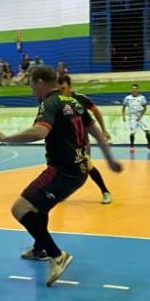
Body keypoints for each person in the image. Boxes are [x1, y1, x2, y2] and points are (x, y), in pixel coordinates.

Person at [0, 66, 121, 286]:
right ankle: (40, 249)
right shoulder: (74, 102)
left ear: (39, 82)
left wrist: (4, 137)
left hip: (62, 171)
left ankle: (56, 255)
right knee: (41, 208)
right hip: (80, 170)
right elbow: (96, 132)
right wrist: (110, 160)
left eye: (31, 86)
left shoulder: (49, 103)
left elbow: (40, 132)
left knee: (19, 209)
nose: (31, 92)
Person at [58, 74, 113, 204]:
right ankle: (61, 192)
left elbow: (95, 111)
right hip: (66, 141)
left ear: (69, 87)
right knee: (63, 166)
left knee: (87, 165)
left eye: (64, 88)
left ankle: (105, 191)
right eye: (59, 89)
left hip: (82, 140)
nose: (62, 91)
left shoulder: (80, 99)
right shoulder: (58, 101)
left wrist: (103, 130)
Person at [122, 83, 150, 152]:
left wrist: (141, 116)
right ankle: (132, 146)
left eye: (135, 89)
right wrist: (123, 116)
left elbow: (145, 108)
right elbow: (124, 107)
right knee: (132, 132)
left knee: (147, 130)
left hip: (140, 115)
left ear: (137, 90)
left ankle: (149, 144)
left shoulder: (142, 98)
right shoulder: (127, 98)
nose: (133, 90)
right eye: (132, 89)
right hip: (132, 116)